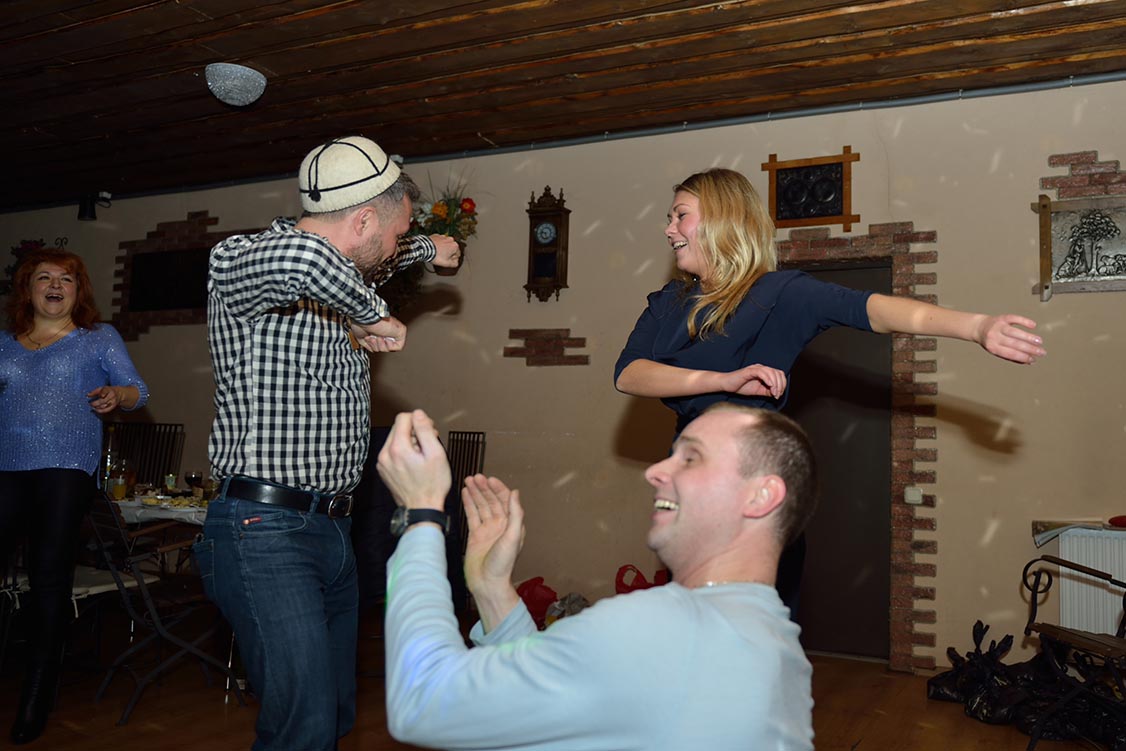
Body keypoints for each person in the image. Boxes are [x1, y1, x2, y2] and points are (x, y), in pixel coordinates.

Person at [614, 167, 1047, 608]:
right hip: (688, 474)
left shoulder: (779, 293)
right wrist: (721, 380)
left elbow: (874, 310)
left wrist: (976, 327)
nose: (669, 229)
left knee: (747, 619)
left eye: (680, 215)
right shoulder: (668, 303)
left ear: (723, 218)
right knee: (691, 614)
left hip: (749, 478)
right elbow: (628, 373)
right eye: (669, 218)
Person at [193, 135, 457, 751]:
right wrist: (372, 313)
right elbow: (308, 257)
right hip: (264, 530)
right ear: (362, 220)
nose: (393, 247)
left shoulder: (341, 275)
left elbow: (358, 259)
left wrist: (427, 247)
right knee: (303, 729)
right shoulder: (243, 263)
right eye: (393, 233)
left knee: (332, 720)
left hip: (333, 531)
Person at [376, 405, 817, 750]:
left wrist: (420, 516)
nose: (656, 471)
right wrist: (492, 589)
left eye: (691, 457)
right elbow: (559, 696)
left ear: (761, 496)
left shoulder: (661, 629)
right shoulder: (776, 642)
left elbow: (423, 697)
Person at [0, 247, 148, 745]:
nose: (54, 285)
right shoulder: (4, 344)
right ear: (28, 290)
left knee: (49, 577)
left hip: (66, 468)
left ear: (78, 291)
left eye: (65, 279)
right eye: (44, 277)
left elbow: (138, 390)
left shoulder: (97, 338)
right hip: (6, 469)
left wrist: (117, 396)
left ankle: (36, 699)